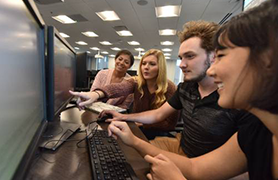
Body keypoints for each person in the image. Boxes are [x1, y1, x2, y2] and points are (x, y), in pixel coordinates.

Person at [109, 0, 278, 179]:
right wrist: (128, 125)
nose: (213, 70)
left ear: (268, 61)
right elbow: (194, 166)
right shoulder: (257, 133)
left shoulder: (252, 119)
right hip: (186, 149)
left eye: (221, 56)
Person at [89, 20, 258, 158]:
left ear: (214, 56)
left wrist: (133, 135)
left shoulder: (237, 101)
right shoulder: (186, 88)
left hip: (203, 160)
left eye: (190, 56)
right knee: (124, 153)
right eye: (181, 58)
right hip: (180, 143)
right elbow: (157, 114)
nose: (182, 65)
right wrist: (122, 115)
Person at [71, 49, 179, 136]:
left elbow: (169, 124)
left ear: (160, 67)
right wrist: (95, 94)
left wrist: (141, 123)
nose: (146, 67)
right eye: (144, 63)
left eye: (152, 64)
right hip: (137, 128)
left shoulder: (170, 88)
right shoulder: (136, 82)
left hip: (158, 133)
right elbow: (118, 88)